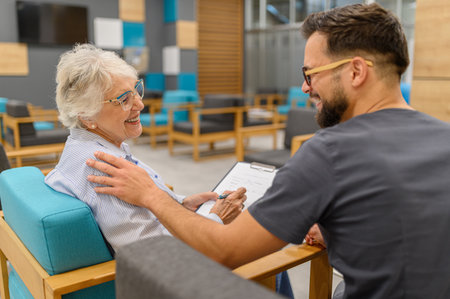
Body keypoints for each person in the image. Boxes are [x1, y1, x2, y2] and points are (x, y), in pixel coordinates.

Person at [86, 3, 450, 299]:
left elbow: (224, 250)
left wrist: (151, 194)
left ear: (355, 72)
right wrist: (343, 229)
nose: (304, 87)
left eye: (310, 74)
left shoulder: (329, 154)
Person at [45, 44, 246, 253]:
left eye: (136, 90)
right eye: (124, 99)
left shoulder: (83, 145)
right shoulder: (102, 167)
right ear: (87, 116)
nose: (140, 104)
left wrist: (181, 204)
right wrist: (214, 217)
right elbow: (157, 253)